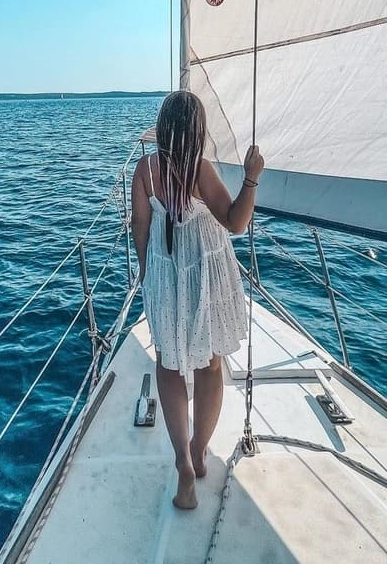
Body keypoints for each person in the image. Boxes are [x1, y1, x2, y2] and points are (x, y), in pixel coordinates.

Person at [131, 90, 265, 510]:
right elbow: (236, 222)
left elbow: (140, 226)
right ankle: (200, 452)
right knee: (209, 365)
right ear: (198, 130)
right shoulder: (201, 170)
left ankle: (182, 463)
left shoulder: (146, 170)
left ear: (164, 129)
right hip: (205, 275)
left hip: (166, 275)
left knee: (170, 366)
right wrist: (251, 178)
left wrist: (147, 274)